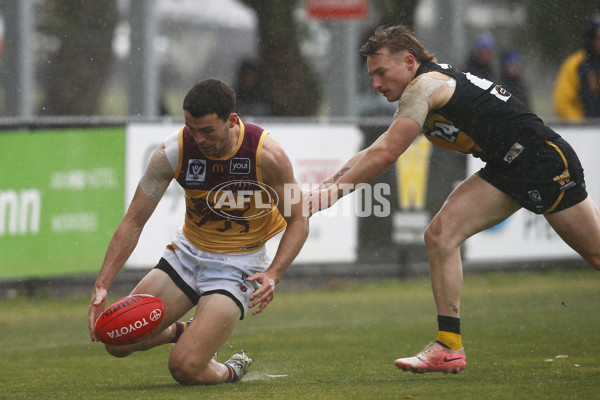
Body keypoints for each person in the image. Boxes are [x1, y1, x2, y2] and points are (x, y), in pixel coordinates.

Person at [309, 25, 600, 374]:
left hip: (541, 160)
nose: (375, 83)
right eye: (371, 75)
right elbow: (374, 149)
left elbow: (386, 154)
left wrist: (333, 194)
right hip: (508, 165)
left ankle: (448, 346)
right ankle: (448, 347)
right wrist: (323, 187)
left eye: (381, 72)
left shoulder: (423, 87)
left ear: (409, 61)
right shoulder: (420, 90)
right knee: (440, 236)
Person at [88, 78, 308, 385]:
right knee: (116, 340)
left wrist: (273, 274)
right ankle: (185, 329)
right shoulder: (173, 152)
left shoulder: (266, 155)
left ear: (232, 121)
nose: (198, 138)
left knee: (184, 368)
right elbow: (133, 222)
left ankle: (233, 368)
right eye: (192, 128)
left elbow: (298, 219)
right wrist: (102, 285)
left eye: (207, 130)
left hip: (238, 266)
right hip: (187, 254)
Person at [553, 14, 600, 122]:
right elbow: (562, 104)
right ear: (591, 38)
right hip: (583, 133)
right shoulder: (575, 65)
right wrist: (583, 125)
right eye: (598, 38)